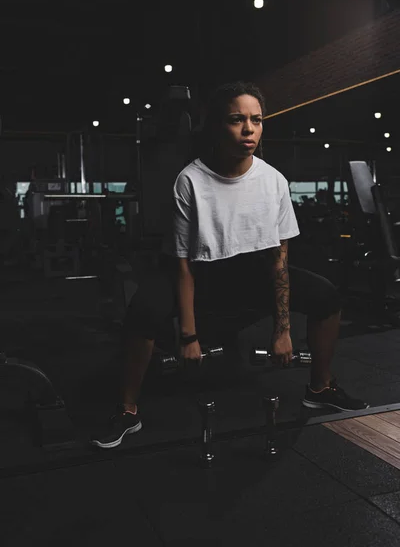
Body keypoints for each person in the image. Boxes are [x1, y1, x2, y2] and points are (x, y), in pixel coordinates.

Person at [90, 81, 369, 450]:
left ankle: (320, 387)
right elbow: (184, 264)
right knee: (143, 309)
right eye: (237, 119)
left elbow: (280, 259)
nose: (249, 129)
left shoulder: (274, 182)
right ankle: (127, 410)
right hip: (200, 274)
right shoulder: (191, 181)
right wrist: (189, 337)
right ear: (217, 126)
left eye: (257, 120)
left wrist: (282, 330)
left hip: (254, 274)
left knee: (326, 295)